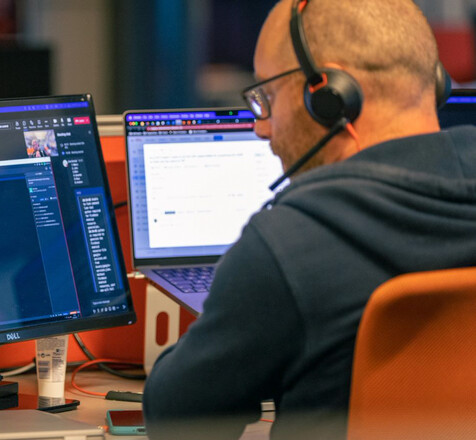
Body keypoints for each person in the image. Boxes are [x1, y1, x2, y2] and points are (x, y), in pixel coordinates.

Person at [142, 1, 476, 439]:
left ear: (329, 96)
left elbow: (176, 420)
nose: (261, 128)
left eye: (268, 97)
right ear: (431, 82)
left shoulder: (289, 246)